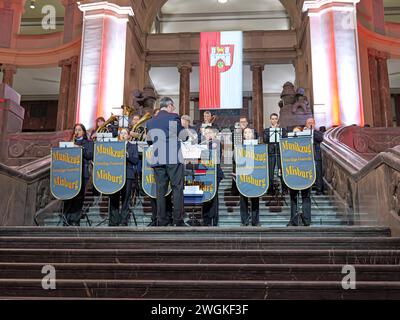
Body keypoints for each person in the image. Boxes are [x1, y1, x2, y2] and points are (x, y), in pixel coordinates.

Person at [146, 97, 187, 227]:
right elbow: (183, 137)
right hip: (173, 157)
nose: (172, 110)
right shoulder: (173, 117)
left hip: (158, 159)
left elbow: (149, 141)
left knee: (160, 190)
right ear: (169, 106)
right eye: (172, 107)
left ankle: (161, 220)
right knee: (177, 188)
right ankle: (177, 220)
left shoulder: (151, 122)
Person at [63, 123, 94, 226]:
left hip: (82, 172)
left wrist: (80, 148)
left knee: (79, 196)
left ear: (84, 132)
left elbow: (90, 155)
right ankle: (66, 218)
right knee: (69, 194)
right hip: (70, 172)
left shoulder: (88, 143)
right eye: (75, 130)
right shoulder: (70, 142)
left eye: (79, 130)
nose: (77, 132)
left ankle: (75, 219)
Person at [108, 129, 139, 226]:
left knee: (126, 198)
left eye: (125, 133)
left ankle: (123, 220)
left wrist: (128, 155)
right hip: (115, 175)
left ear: (129, 136)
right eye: (121, 133)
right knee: (114, 197)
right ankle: (114, 220)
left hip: (128, 175)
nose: (123, 135)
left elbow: (136, 160)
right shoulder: (114, 146)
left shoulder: (133, 146)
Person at [200, 126, 224, 226]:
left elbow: (215, 156)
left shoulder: (216, 143)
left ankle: (213, 219)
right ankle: (205, 219)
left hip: (214, 173)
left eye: (210, 132)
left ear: (214, 134)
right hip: (203, 174)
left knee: (213, 195)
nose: (207, 134)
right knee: (204, 195)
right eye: (205, 133)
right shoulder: (201, 144)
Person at [287, 126, 311, 226]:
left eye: (298, 133)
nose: (296, 135)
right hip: (293, 174)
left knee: (306, 197)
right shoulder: (288, 146)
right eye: (294, 133)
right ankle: (294, 220)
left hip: (304, 174)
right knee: (293, 198)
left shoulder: (306, 145)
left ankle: (306, 219)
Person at [239, 127, 260, 226]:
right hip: (243, 175)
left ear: (252, 135)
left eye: (249, 132)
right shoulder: (239, 146)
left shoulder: (258, 147)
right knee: (243, 199)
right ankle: (244, 220)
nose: (247, 134)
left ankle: (255, 221)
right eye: (245, 133)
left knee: (255, 198)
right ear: (243, 136)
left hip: (255, 175)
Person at [263, 113, 287, 195]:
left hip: (280, 153)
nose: (274, 120)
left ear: (277, 120)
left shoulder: (282, 130)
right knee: (270, 172)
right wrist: (272, 131)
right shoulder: (266, 130)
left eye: (275, 119)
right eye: (272, 119)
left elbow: (285, 139)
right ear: (270, 120)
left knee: (282, 171)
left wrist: (277, 129)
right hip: (271, 153)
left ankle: (284, 189)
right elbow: (265, 140)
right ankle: (270, 189)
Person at [305, 117, 324, 195]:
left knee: (318, 172)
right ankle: (306, 189)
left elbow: (320, 138)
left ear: (314, 124)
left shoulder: (317, 132)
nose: (310, 124)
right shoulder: (303, 132)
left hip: (316, 155)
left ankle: (319, 189)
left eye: (312, 122)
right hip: (306, 156)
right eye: (309, 123)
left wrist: (312, 131)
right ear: (306, 124)